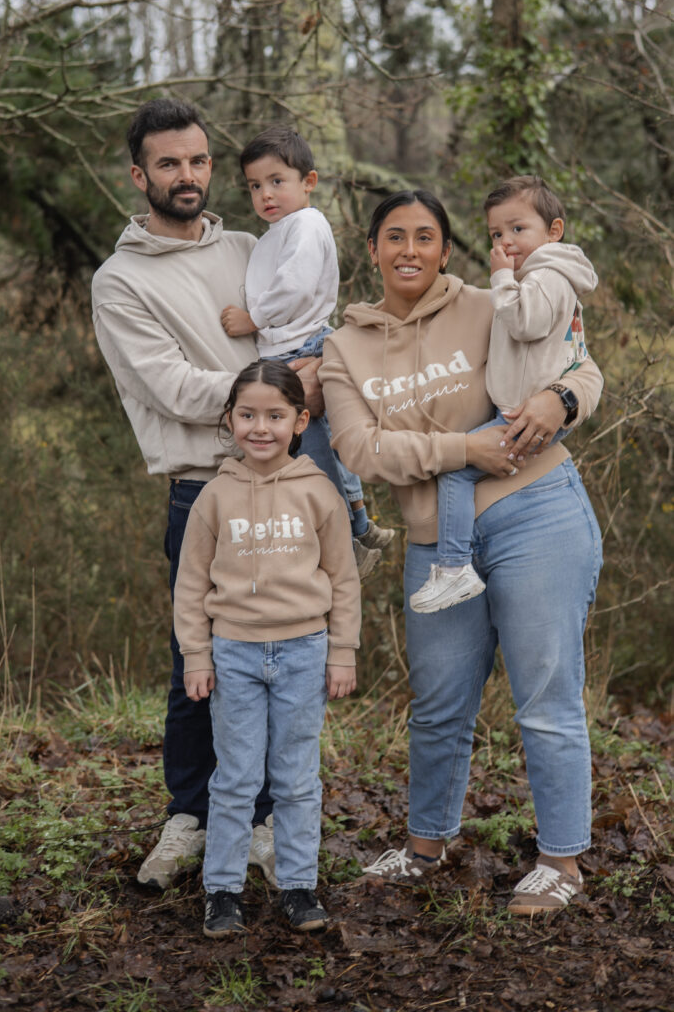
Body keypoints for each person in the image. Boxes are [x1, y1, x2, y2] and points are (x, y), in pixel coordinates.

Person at [319, 189, 603, 915]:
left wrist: (559, 402)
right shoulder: (343, 349)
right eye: (393, 236)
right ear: (374, 250)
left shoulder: (492, 303)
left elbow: (581, 365)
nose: (408, 249)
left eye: (424, 236)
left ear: (446, 250)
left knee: (544, 694)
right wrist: (461, 448)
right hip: (433, 541)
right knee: (439, 706)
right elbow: (360, 448)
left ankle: (561, 862)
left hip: (534, 511)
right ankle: (425, 845)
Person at [91, 98, 323, 890]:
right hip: (204, 490)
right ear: (139, 174)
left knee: (284, 654)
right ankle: (190, 816)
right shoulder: (119, 281)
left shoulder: (255, 244)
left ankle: (260, 822)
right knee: (202, 659)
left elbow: (302, 322)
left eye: (196, 161)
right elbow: (169, 387)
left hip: (291, 483)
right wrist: (282, 397)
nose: (185, 176)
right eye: (168, 164)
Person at [173, 359, 361, 937]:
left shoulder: (319, 492)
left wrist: (343, 651)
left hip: (305, 650)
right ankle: (223, 892)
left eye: (275, 415)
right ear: (229, 420)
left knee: (297, 776)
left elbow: (343, 577)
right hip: (234, 654)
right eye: (248, 414)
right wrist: (197, 655)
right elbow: (191, 583)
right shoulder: (213, 497)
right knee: (234, 777)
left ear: (301, 420)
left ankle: (299, 885)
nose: (261, 427)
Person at [410, 175, 599, 613]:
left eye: (518, 229)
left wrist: (501, 278)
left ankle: (454, 568)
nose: (506, 241)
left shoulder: (547, 277)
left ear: (554, 231)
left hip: (524, 419)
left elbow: (525, 323)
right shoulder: (538, 277)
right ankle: (456, 565)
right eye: (497, 233)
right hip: (512, 410)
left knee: (457, 471)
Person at [220, 125, 394, 579]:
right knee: (328, 445)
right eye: (255, 186)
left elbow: (293, 287)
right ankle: (359, 522)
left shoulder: (306, 224)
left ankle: (345, 539)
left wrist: (252, 318)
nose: (265, 194)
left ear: (309, 182)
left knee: (311, 454)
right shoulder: (279, 231)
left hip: (298, 348)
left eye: (277, 181)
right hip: (293, 345)